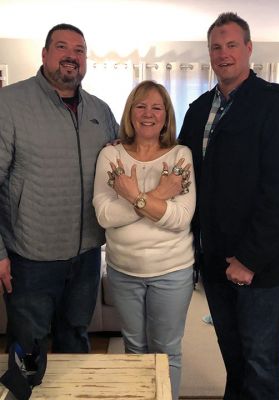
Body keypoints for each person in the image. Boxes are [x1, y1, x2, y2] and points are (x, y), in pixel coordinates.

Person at [179, 12, 279, 400]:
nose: (223, 53)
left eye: (232, 45)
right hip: (214, 264)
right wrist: (126, 146)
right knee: (234, 361)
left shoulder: (278, 105)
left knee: (261, 366)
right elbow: (176, 165)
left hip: (261, 268)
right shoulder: (198, 110)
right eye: (216, 47)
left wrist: (248, 259)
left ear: (248, 49)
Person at [0, 24, 119, 355]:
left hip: (87, 256)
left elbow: (125, 161)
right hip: (30, 259)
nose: (71, 56)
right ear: (45, 54)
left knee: (76, 342)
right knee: (28, 349)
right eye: (62, 47)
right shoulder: (8, 104)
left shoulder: (100, 110)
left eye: (79, 50)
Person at [93, 80, 196, 399]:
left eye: (156, 107)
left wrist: (132, 195)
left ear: (166, 115)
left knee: (167, 351)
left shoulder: (181, 156)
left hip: (172, 272)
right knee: (134, 348)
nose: (148, 113)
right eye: (140, 106)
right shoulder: (111, 155)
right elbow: (105, 216)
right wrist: (157, 197)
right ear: (130, 113)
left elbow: (180, 219)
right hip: (124, 272)